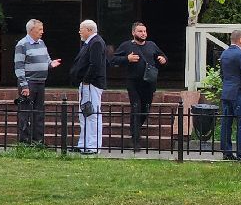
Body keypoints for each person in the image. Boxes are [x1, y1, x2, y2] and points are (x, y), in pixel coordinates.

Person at [109, 21, 168, 150]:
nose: (143, 34)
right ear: (133, 32)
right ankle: (136, 141)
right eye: (140, 31)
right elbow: (112, 60)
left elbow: (162, 56)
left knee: (145, 110)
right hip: (133, 83)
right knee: (136, 108)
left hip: (149, 83)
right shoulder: (126, 46)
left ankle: (134, 130)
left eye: (145, 31)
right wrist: (127, 59)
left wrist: (163, 59)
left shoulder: (152, 45)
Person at [14, 18, 61, 145]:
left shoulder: (41, 42)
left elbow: (47, 59)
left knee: (39, 112)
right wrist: (24, 85)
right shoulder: (22, 44)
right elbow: (19, 66)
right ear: (31, 30)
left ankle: (38, 140)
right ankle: (24, 141)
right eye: (39, 29)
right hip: (28, 83)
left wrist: (51, 64)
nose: (42, 32)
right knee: (25, 112)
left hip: (41, 82)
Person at [69, 19, 107, 154]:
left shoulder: (96, 42)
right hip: (86, 84)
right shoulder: (90, 42)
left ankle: (93, 146)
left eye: (81, 29)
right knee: (84, 114)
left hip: (92, 84)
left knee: (92, 114)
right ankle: (83, 144)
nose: (79, 31)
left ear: (89, 30)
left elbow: (95, 64)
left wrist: (86, 80)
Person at [218, 29, 241, 161]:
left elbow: (222, 74)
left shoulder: (224, 54)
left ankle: (226, 152)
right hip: (239, 93)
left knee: (226, 123)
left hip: (226, 92)